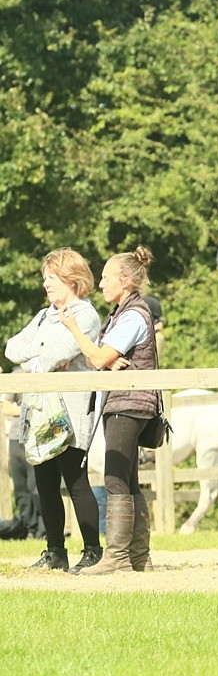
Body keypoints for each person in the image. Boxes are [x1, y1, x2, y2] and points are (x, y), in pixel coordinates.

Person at [59, 246, 160, 574]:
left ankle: (116, 557)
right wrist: (105, 357)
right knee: (129, 479)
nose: (100, 284)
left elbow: (97, 358)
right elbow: (104, 358)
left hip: (127, 403)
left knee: (115, 478)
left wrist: (74, 330)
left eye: (106, 278)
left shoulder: (131, 315)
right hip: (131, 402)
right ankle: (137, 557)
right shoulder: (125, 312)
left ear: (126, 282)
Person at [4, 248, 103, 571]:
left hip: (71, 410)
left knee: (75, 480)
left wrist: (40, 358)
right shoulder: (45, 314)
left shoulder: (85, 314)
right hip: (41, 409)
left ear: (71, 279)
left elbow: (61, 353)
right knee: (45, 482)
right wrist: (41, 355)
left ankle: (92, 551)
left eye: (51, 278)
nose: (46, 284)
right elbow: (11, 348)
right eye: (45, 278)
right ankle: (55, 551)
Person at [1, 368, 43, 539]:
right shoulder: (16, 375)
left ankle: (42, 529)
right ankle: (27, 528)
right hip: (15, 437)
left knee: (36, 487)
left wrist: (20, 408)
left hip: (36, 437)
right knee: (21, 488)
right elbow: (6, 408)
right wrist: (28, 409)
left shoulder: (42, 373)